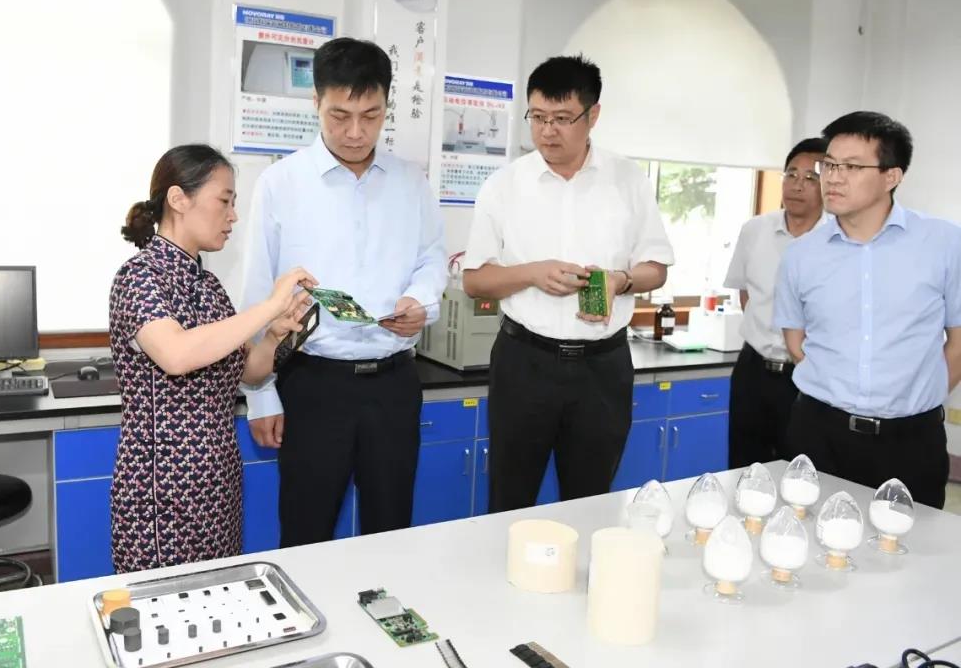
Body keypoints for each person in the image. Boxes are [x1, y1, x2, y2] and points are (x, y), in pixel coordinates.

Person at [240, 37, 447, 547]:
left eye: (370, 116)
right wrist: (261, 396)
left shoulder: (411, 182)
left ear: (386, 107)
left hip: (393, 383)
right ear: (316, 102)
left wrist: (420, 302)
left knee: (390, 531)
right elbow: (257, 296)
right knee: (306, 534)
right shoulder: (281, 183)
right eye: (340, 116)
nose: (355, 132)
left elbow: (431, 258)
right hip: (313, 384)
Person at [462, 55, 674, 513]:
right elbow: (475, 280)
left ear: (592, 115)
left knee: (590, 502)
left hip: (602, 367)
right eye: (537, 117)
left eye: (561, 119)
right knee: (510, 500)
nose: (547, 131)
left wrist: (620, 280)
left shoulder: (628, 180)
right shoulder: (504, 185)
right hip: (525, 362)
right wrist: (532, 273)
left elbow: (656, 268)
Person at [108, 144, 314, 572]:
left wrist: (280, 334)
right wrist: (268, 307)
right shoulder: (139, 278)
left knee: (222, 598)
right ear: (179, 199)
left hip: (218, 485)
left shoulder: (210, 287)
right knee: (165, 606)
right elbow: (177, 355)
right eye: (225, 201)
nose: (233, 216)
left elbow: (250, 371)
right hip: (161, 493)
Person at [774, 111, 961, 508]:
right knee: (806, 538)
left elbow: (959, 340)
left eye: (852, 167)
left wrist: (913, 395)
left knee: (910, 543)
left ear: (891, 176)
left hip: (910, 441)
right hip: (818, 434)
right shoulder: (801, 255)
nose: (833, 178)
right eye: (829, 165)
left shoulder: (945, 244)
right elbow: (795, 342)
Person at [723, 137, 827, 468]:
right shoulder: (755, 230)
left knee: (799, 472)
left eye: (810, 178)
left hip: (806, 376)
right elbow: (747, 294)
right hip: (752, 370)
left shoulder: (835, 242)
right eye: (791, 174)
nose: (797, 185)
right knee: (744, 468)